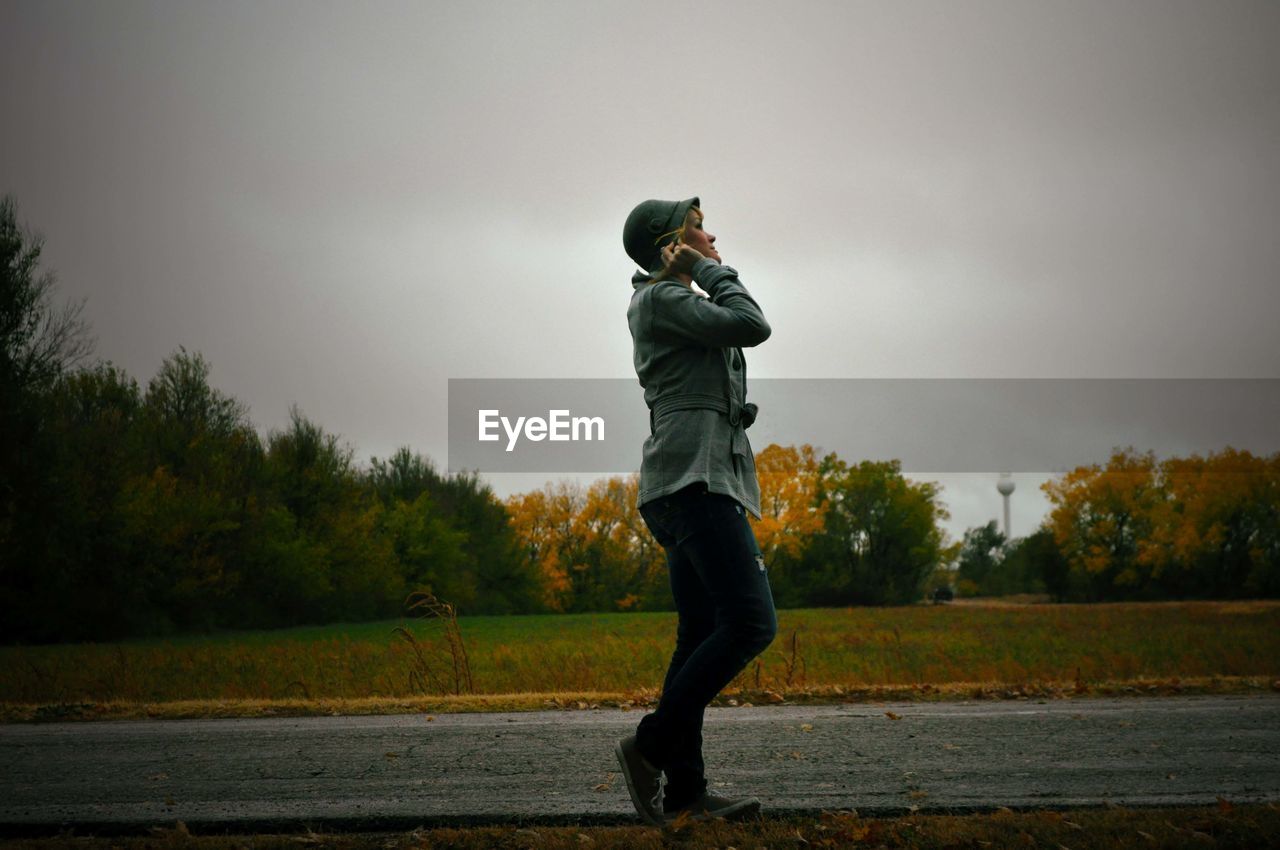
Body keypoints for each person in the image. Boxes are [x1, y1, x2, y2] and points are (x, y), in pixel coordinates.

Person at [615, 196, 778, 825]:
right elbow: (752, 324)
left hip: (690, 481)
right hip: (694, 483)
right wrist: (711, 272)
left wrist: (701, 272)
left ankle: (686, 795)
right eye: (697, 229)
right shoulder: (661, 299)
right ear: (669, 246)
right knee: (751, 624)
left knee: (699, 634)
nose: (712, 237)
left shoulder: (675, 307)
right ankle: (650, 746)